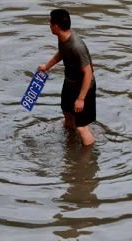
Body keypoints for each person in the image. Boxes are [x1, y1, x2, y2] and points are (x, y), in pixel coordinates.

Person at [38, 9, 96, 146]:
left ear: (56, 26)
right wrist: (47, 66)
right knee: (67, 114)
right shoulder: (63, 37)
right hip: (70, 83)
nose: (49, 25)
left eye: (50, 22)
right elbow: (62, 52)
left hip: (84, 87)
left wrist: (81, 99)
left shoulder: (77, 47)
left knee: (82, 127)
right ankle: (69, 146)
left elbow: (88, 73)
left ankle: (86, 161)